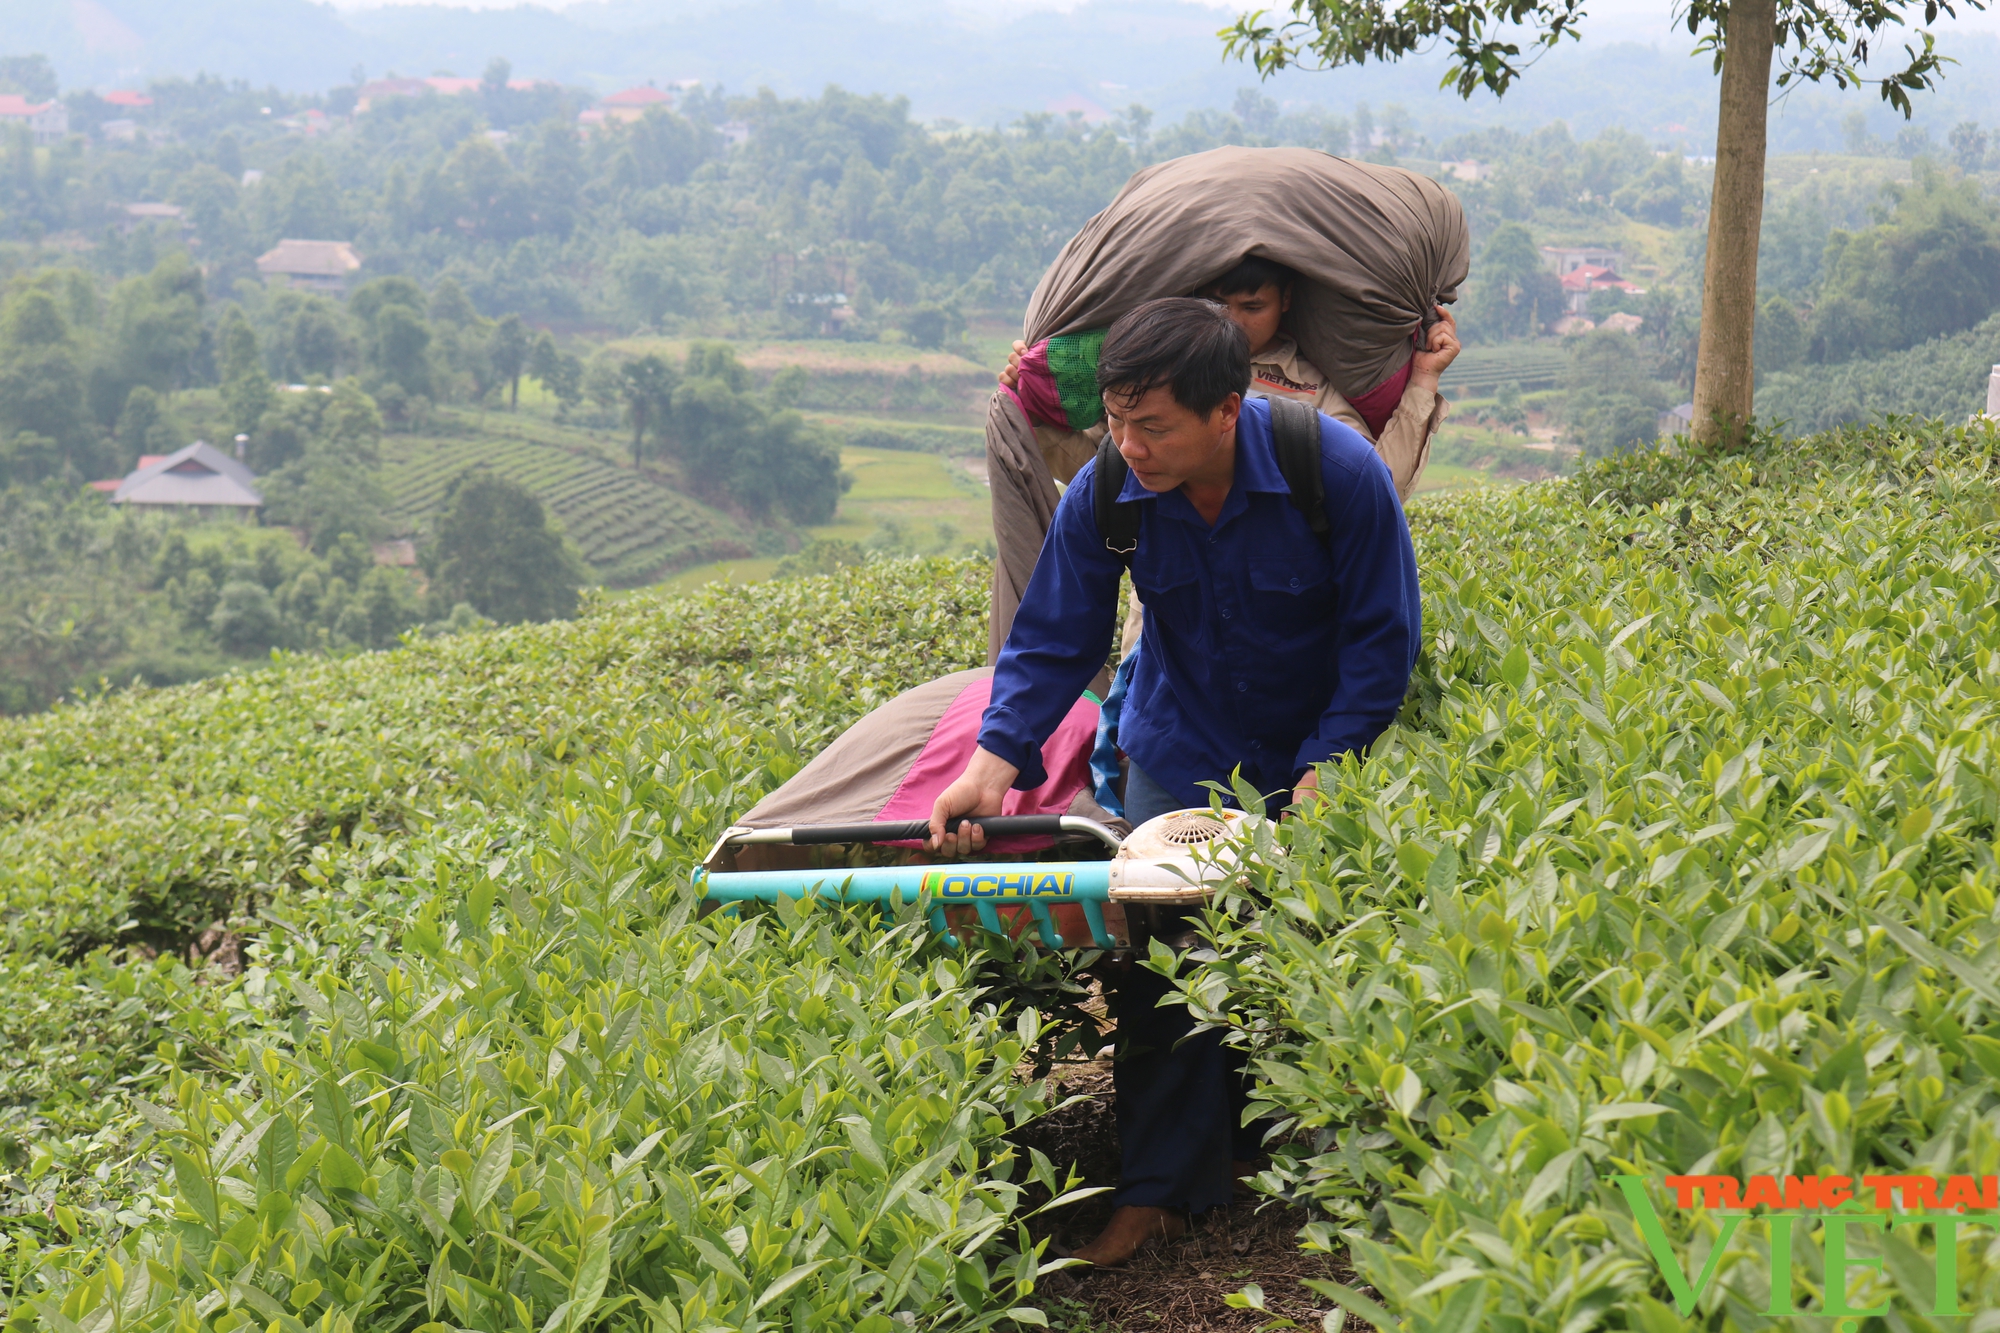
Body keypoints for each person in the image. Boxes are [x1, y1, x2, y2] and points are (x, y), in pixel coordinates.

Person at [931, 297, 1421, 1266]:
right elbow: (1052, 637)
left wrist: (1329, 761)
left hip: (1305, 741)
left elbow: (1379, 637)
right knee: (1163, 960)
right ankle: (1158, 1188)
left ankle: (1294, 1166)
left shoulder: (1337, 474)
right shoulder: (1109, 488)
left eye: (1151, 425)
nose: (1127, 444)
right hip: (1178, 739)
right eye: (1115, 420)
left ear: (1224, 410)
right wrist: (992, 764)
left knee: (1309, 945)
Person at [997, 255, 1461, 503]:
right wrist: (1032, 393)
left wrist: (1422, 382)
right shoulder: (1151, 371)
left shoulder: (1313, 390)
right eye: (1219, 305)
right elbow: (1102, 467)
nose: (1234, 322)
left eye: (1252, 307)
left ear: (1286, 300)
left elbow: (1376, 487)